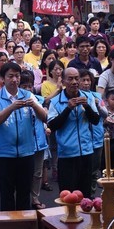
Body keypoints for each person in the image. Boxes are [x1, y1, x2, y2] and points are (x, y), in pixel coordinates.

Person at [0, 62, 47, 211]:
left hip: (27, 152)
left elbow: (45, 117)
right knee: (7, 195)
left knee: (24, 194)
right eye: (10, 76)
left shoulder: (28, 95)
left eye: (17, 76)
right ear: (2, 78)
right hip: (4, 154)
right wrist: (11, 107)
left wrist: (34, 105)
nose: (14, 79)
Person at [48, 67, 100, 196]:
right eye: (70, 79)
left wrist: (87, 106)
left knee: (85, 195)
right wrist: (68, 109)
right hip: (67, 154)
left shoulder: (88, 97)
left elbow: (95, 120)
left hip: (86, 151)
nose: (74, 82)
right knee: (68, 196)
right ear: (63, 81)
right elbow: (53, 125)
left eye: (77, 78)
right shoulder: (56, 101)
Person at [18, 71, 49, 210]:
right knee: (24, 174)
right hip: (23, 143)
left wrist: (35, 105)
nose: (27, 89)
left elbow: (45, 117)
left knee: (38, 173)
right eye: (24, 86)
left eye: (30, 86)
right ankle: (22, 198)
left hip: (39, 141)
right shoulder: (16, 102)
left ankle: (35, 198)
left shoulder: (39, 100)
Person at [78, 70, 106, 198]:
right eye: (83, 80)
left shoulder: (97, 96)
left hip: (97, 137)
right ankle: (81, 195)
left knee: (94, 170)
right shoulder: (75, 97)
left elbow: (105, 114)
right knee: (83, 170)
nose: (86, 83)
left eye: (88, 80)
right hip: (83, 138)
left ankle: (92, 194)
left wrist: (97, 105)